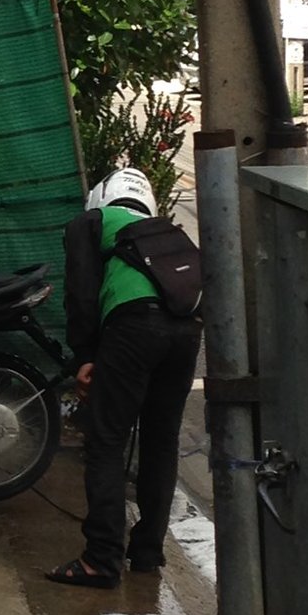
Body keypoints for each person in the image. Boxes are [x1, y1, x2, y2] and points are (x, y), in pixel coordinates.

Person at [47, 167, 202, 590]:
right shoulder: (167, 232)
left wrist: (85, 355)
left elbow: (81, 291)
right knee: (161, 440)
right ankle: (147, 552)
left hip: (134, 325)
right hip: (187, 331)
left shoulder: (92, 222)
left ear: (102, 197)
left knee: (107, 439)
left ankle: (100, 559)